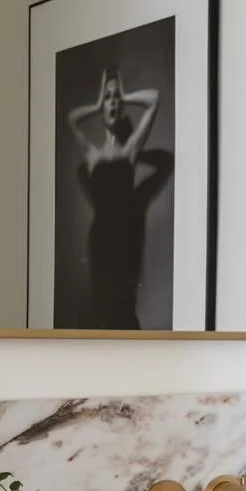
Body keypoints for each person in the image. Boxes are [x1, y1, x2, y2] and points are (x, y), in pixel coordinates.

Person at [66, 66, 173, 327]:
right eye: (108, 97)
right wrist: (96, 103)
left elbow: (154, 100)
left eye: (116, 97)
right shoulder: (92, 155)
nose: (112, 101)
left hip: (126, 245)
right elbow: (71, 118)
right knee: (100, 311)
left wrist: (124, 95)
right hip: (100, 245)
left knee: (124, 314)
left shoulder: (130, 151)